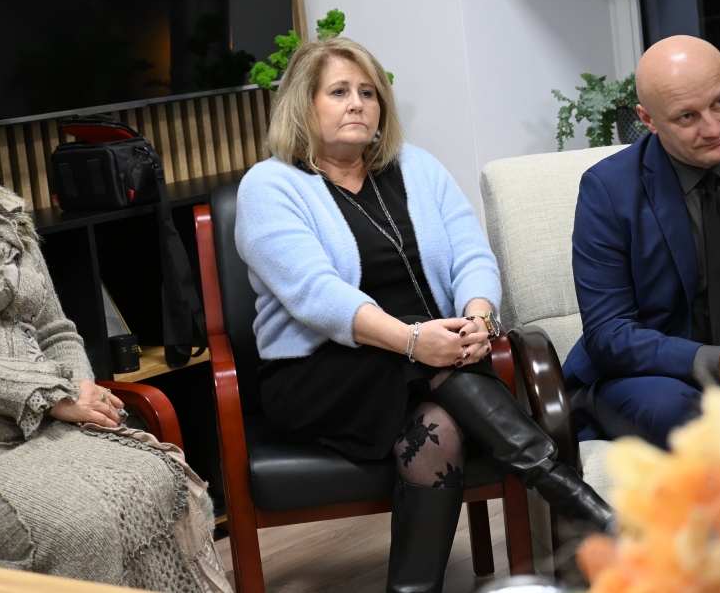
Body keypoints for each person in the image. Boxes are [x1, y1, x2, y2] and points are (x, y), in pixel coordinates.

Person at [235, 37, 614, 593]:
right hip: (319, 372)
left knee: (437, 433)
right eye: (338, 92)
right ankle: (566, 488)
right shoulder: (269, 186)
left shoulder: (417, 167)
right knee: (434, 368)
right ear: (302, 105)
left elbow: (471, 256)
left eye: (368, 92)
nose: (357, 103)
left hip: (434, 361)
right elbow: (316, 294)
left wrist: (479, 319)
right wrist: (414, 341)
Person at [0, 50, 230, 593]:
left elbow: (56, 328)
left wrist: (78, 388)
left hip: (35, 423)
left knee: (160, 479)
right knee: (83, 526)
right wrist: (51, 393)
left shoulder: (0, 209)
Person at [566, 35, 720, 450]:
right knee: (680, 415)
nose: (713, 128)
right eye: (687, 117)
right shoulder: (608, 190)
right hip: (656, 374)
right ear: (647, 119)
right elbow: (609, 333)